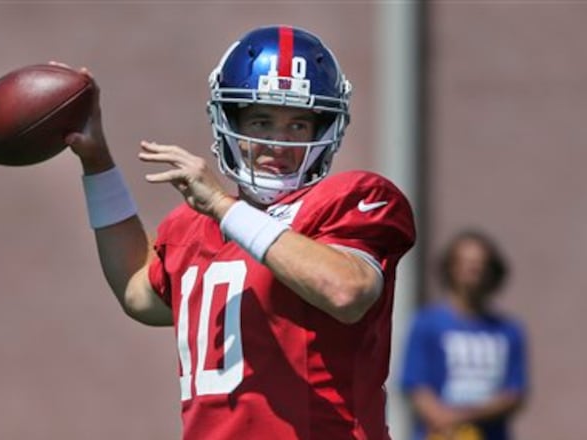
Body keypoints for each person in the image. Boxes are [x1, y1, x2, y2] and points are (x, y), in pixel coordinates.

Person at [64, 25, 415, 439]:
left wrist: (223, 208)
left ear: (324, 132)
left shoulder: (349, 198)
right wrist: (96, 160)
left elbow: (346, 291)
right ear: (226, 121)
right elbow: (136, 292)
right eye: (262, 122)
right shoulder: (193, 226)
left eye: (298, 125)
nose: (278, 143)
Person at [399, 231, 528, 440]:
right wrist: (443, 419)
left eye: (481, 263)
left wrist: (461, 416)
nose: (474, 269)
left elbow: (515, 394)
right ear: (450, 267)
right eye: (466, 262)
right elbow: (414, 385)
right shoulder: (426, 324)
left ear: (492, 271)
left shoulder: (509, 330)